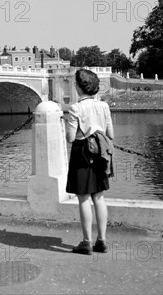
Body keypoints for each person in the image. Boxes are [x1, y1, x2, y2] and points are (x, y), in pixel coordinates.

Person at [65, 69, 114, 255]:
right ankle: (102, 241)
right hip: (101, 152)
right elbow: (111, 135)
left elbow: (70, 138)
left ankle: (87, 242)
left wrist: (71, 125)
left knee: (84, 198)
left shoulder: (75, 108)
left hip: (82, 153)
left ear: (78, 86)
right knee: (99, 197)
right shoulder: (104, 106)